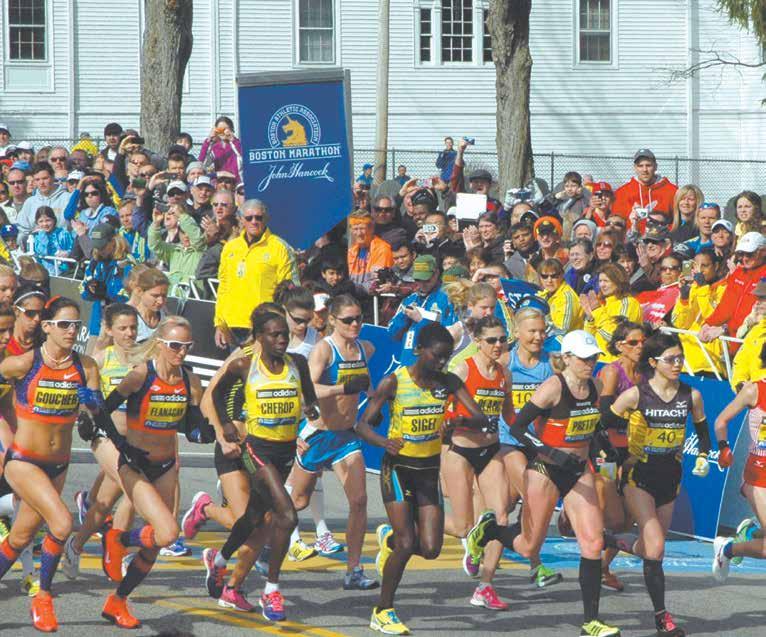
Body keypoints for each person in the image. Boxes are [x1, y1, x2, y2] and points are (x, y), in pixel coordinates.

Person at [466, 330, 620, 637]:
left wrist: (604, 446)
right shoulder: (553, 387)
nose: (590, 363)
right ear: (567, 358)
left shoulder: (596, 386)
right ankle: (489, 531)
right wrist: (553, 453)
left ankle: (591, 621)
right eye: (584, 358)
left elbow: (591, 424)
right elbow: (519, 428)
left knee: (593, 543)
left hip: (578, 472)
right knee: (528, 546)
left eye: (594, 358)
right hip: (545, 471)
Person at [356, 322, 489, 635]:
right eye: (436, 356)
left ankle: (389, 541)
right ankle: (383, 610)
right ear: (419, 350)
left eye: (446, 357)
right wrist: (384, 442)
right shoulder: (394, 382)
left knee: (430, 549)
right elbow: (362, 425)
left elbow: (480, 417)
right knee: (408, 543)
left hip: (428, 470)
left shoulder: (448, 382)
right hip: (398, 468)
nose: (441, 362)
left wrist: (456, 421)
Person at [97, 317, 207, 628]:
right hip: (134, 465)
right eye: (175, 345)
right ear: (160, 344)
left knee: (158, 542)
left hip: (165, 465)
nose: (181, 352)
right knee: (169, 533)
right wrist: (121, 445)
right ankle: (117, 537)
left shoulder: (190, 380)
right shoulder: (141, 375)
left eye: (187, 346)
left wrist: (204, 431)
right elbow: (103, 412)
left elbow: (192, 425)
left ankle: (117, 601)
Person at [0, 297, 101, 632]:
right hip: (23, 460)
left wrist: (93, 407)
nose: (71, 331)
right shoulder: (23, 363)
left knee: (20, 537)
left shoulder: (86, 367)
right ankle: (43, 598)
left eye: (76, 325)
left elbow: (95, 414)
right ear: (46, 327)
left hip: (58, 465)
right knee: (61, 523)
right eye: (64, 324)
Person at [603, 332, 710, 637]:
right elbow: (602, 425)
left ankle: (614, 542)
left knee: (652, 549)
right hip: (639, 477)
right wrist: (616, 458)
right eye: (670, 359)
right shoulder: (636, 395)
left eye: (680, 358)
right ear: (653, 362)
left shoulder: (691, 395)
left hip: (670, 478)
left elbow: (702, 432)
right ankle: (662, 618)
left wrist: (704, 456)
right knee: (657, 547)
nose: (677, 364)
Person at [286, 295, 378, 589]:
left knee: (359, 501)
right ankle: (264, 537)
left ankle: (354, 570)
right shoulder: (324, 350)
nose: (355, 324)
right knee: (297, 501)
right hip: (317, 434)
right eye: (348, 320)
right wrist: (342, 388)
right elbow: (307, 389)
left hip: (345, 437)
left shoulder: (365, 348)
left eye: (359, 318)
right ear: (333, 321)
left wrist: (374, 403)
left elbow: (367, 385)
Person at [441, 316, 515, 610]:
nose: (498, 345)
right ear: (477, 341)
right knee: (463, 527)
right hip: (460, 451)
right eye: (492, 340)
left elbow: (510, 416)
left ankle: (485, 586)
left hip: (490, 451)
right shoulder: (463, 369)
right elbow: (442, 412)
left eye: (502, 339)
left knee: (501, 517)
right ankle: (412, 522)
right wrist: (458, 423)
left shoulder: (504, 374)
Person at [62, 303, 139, 580]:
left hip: (135, 442)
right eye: (122, 328)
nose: (129, 333)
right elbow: (85, 399)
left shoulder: (144, 359)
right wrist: (86, 413)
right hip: (106, 439)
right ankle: (117, 551)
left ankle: (75, 545)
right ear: (109, 329)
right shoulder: (100, 360)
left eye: (133, 328)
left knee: (104, 503)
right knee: (135, 491)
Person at [595, 320, 646, 591]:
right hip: (606, 448)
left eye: (643, 342)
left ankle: (603, 568)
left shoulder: (646, 373)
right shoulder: (611, 372)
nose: (640, 347)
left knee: (628, 517)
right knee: (610, 513)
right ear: (619, 346)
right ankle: (572, 521)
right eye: (633, 342)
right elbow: (604, 415)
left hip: (633, 449)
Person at [214, 199, 298, 349]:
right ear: (241, 220)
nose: (254, 222)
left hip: (263, 326)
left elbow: (289, 290)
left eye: (258, 217)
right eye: (249, 218)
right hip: (232, 325)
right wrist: (219, 323)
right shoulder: (230, 247)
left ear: (266, 219)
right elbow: (223, 287)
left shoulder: (280, 248)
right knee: (235, 364)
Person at [712, 353, 766, 581]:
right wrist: (724, 448)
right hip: (759, 475)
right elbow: (721, 421)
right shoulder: (755, 389)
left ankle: (750, 532)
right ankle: (727, 549)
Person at [388, 254, 458, 366]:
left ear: (436, 273)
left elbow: (451, 334)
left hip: (433, 364)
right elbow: (392, 334)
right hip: (407, 362)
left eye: (426, 280)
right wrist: (404, 317)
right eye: (418, 280)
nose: (422, 284)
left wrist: (422, 320)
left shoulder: (447, 298)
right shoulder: (410, 299)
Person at [700, 231, 766, 343]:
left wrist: (725, 328)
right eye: (741, 254)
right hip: (731, 339)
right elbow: (726, 305)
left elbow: (757, 315)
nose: (744, 258)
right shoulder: (738, 273)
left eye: (749, 254)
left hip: (753, 341)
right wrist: (708, 324)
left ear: (763, 252)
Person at [671, 248, 727, 375]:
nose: (700, 270)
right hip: (686, 363)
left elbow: (714, 318)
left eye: (705, 266)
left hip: (710, 364)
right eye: (696, 266)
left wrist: (702, 288)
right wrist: (684, 299)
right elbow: (679, 324)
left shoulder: (724, 288)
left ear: (716, 266)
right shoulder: (691, 288)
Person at [583, 263, 643, 362]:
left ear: (618, 281)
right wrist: (590, 319)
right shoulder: (603, 303)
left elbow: (615, 338)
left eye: (606, 281)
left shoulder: (628, 303)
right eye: (600, 281)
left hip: (616, 363)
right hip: (597, 361)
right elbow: (588, 338)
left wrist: (597, 311)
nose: (602, 285)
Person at [612, 149, 678, 228]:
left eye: (648, 165)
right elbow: (616, 224)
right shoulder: (622, 193)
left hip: (662, 235)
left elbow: (679, 222)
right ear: (635, 168)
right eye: (640, 166)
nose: (644, 170)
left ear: (655, 166)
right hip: (631, 235)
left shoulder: (672, 191)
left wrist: (664, 233)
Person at [148, 204, 205, 288]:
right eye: (183, 232)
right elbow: (154, 246)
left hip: (194, 294)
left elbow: (197, 239)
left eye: (188, 232)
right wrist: (156, 224)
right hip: (174, 293)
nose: (186, 236)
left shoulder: (201, 249)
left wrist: (182, 216)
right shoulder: (173, 250)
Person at [16, 162, 72, 244]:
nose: (41, 183)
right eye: (37, 179)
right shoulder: (30, 202)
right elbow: (23, 232)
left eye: (45, 178)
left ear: (53, 177)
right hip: (37, 247)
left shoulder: (68, 198)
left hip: (64, 247)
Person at [347, 209, 393, 293]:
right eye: (355, 229)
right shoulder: (351, 252)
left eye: (362, 228)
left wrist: (350, 288)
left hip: (373, 298)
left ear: (371, 228)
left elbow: (377, 284)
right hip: (352, 295)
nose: (359, 233)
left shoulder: (382, 249)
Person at [538, 258, 584, 332]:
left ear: (562, 275)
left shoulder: (567, 297)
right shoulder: (543, 295)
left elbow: (562, 331)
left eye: (554, 276)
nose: (549, 280)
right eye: (544, 276)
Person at [126, 267, 169, 343]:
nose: (160, 301)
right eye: (155, 296)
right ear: (140, 292)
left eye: (164, 296)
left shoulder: (165, 315)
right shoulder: (127, 317)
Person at [30, 206, 75, 276]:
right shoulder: (36, 237)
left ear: (54, 220)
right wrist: (42, 235)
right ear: (37, 223)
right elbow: (43, 252)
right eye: (41, 221)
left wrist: (67, 253)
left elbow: (73, 250)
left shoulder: (63, 234)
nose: (45, 224)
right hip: (42, 272)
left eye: (48, 220)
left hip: (63, 272)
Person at [199, 116, 243, 183]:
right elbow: (202, 164)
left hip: (237, 182)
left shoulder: (238, 144)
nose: (223, 132)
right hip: (221, 183)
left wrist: (232, 139)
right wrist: (209, 140)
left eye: (225, 129)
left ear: (231, 129)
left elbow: (243, 157)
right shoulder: (215, 148)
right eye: (220, 129)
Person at [7, 285, 46, 355]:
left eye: (41, 313)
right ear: (16, 311)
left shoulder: (45, 343)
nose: (37, 319)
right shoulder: (4, 342)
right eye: (31, 313)